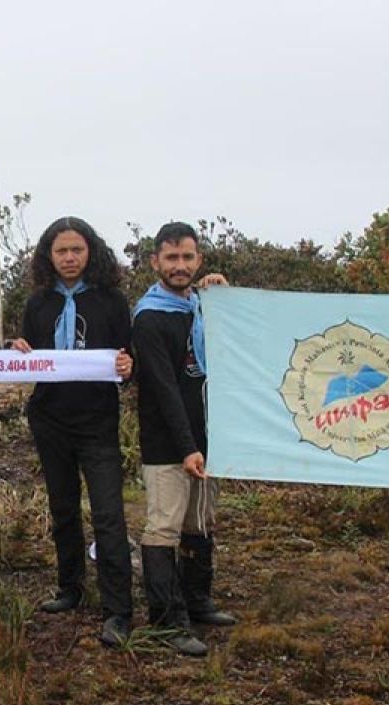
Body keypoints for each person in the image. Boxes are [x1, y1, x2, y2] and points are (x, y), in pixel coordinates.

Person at [11, 217, 135, 648]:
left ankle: (119, 610)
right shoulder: (37, 303)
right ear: (48, 255)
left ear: (91, 252)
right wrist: (19, 352)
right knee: (62, 508)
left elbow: (129, 358)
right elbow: (29, 354)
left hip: (97, 421)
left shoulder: (112, 301)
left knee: (108, 514)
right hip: (50, 419)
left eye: (76, 250)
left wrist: (127, 366)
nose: (68, 258)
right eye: (60, 251)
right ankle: (70, 587)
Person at [131, 222, 235, 657]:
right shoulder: (149, 317)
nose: (180, 266)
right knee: (165, 525)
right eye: (171, 258)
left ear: (199, 261)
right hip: (168, 442)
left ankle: (198, 601)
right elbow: (162, 387)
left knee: (200, 521)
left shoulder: (205, 307)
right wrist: (186, 445)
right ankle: (166, 620)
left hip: (210, 436)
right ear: (155, 262)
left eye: (187, 258)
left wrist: (226, 297)